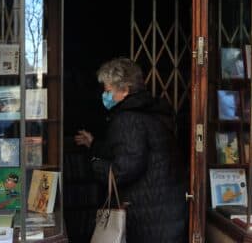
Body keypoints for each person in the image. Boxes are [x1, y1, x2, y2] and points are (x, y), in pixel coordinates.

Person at [74, 58, 186, 242]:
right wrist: (94, 144)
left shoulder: (128, 118)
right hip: (166, 211)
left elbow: (124, 169)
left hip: (148, 216)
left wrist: (95, 165)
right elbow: (129, 148)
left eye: (108, 91)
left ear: (125, 90)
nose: (104, 95)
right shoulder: (152, 112)